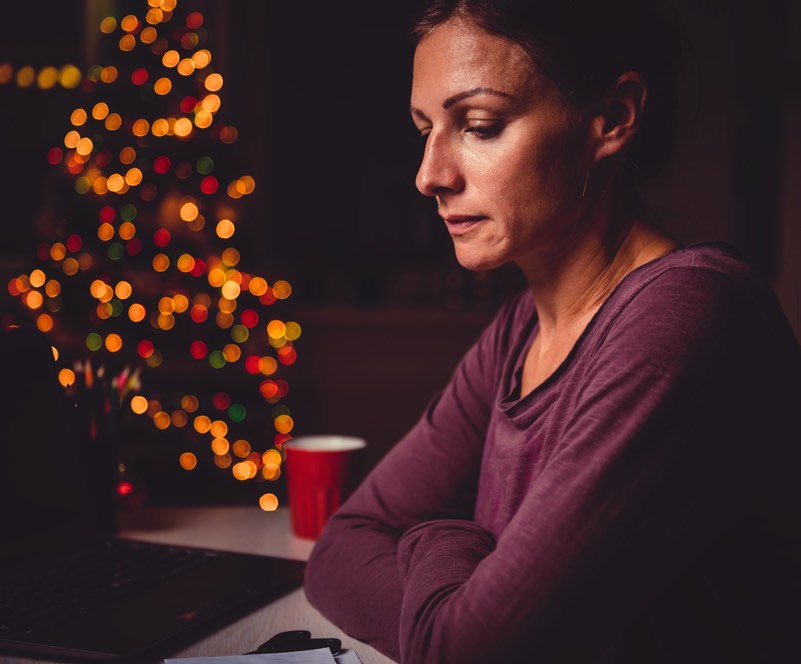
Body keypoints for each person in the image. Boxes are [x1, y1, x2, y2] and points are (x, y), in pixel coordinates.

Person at [303, 1, 801, 662]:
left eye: (478, 125)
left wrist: (436, 536)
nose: (430, 175)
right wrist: (458, 597)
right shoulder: (517, 333)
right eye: (425, 129)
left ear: (612, 119)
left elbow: (471, 651)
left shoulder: (685, 316)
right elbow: (342, 545)